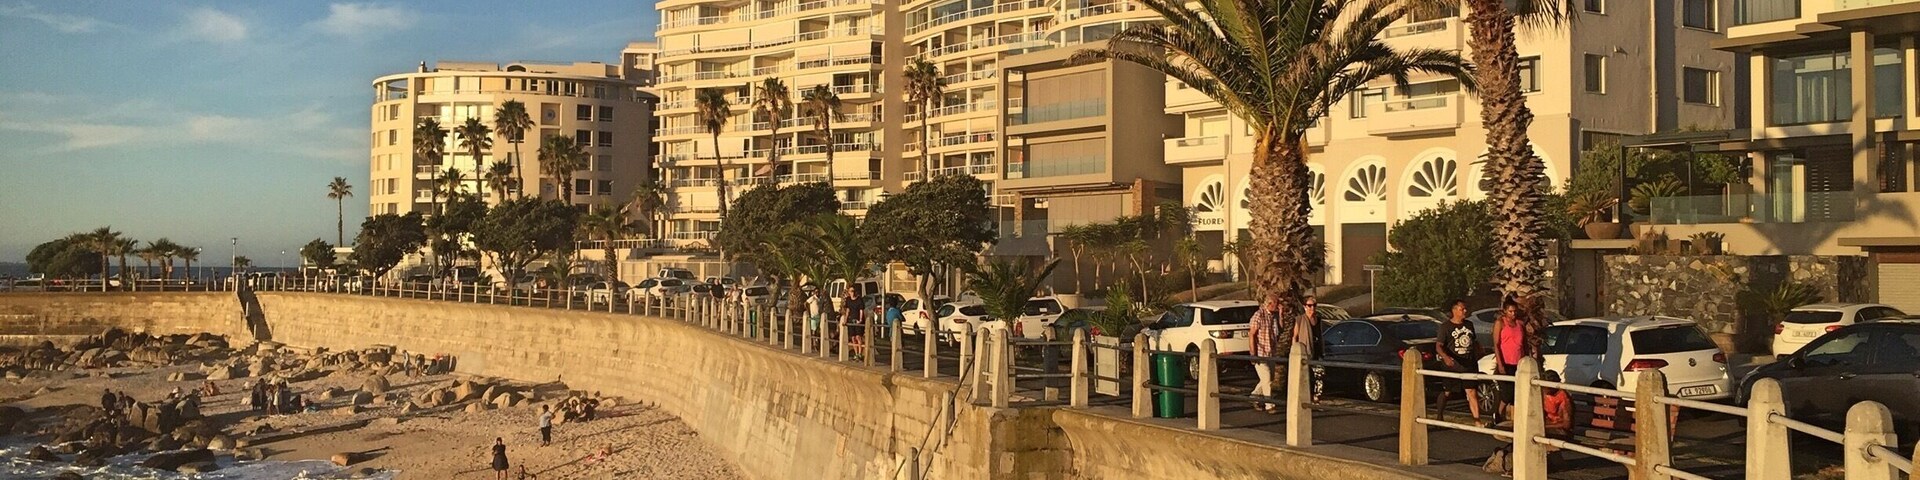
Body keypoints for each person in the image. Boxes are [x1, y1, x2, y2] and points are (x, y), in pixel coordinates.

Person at [1434, 298, 1485, 426]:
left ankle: (1477, 420)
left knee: (1471, 391)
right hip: (1452, 366)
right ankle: (1439, 415)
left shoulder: (1469, 325)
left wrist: (1479, 351)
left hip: (1468, 365)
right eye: (1462, 309)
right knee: (1447, 392)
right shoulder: (1445, 327)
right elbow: (1439, 345)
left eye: (1465, 309)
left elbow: (1474, 341)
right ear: (1454, 310)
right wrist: (1446, 357)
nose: (1465, 311)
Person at [1491, 298, 1526, 417]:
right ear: (1505, 311)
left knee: (1516, 393)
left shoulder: (1520, 324)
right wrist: (1500, 364)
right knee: (1507, 393)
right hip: (1506, 363)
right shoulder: (1500, 323)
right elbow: (1496, 344)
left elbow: (1524, 344)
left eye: (1515, 311)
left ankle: (1514, 418)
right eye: (1510, 311)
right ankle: (1498, 413)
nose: (1513, 314)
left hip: (1518, 362)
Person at [1247, 297, 1282, 414]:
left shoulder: (1273, 316)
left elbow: (1280, 330)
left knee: (1268, 379)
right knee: (1266, 379)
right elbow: (1252, 334)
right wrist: (1253, 354)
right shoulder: (1259, 315)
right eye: (1276, 303)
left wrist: (1280, 314)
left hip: (1270, 352)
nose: (1278, 305)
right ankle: (1269, 405)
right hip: (1260, 353)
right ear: (1270, 304)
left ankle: (1254, 396)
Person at [1293, 295, 1325, 403]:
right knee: (1306, 377)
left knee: (1319, 375)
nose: (1312, 308)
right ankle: (1306, 398)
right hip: (1306, 352)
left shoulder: (1318, 319)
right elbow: (1295, 336)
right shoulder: (1300, 320)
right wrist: (1295, 351)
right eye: (1310, 305)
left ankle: (1317, 398)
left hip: (1317, 352)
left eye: (1314, 305)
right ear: (1305, 306)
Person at [1541, 370, 1573, 438]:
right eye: (1543, 387)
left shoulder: (1563, 397)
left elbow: (1567, 425)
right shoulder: (1542, 393)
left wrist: (1544, 426)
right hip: (1546, 424)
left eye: (1546, 388)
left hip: (1560, 430)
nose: (1544, 390)